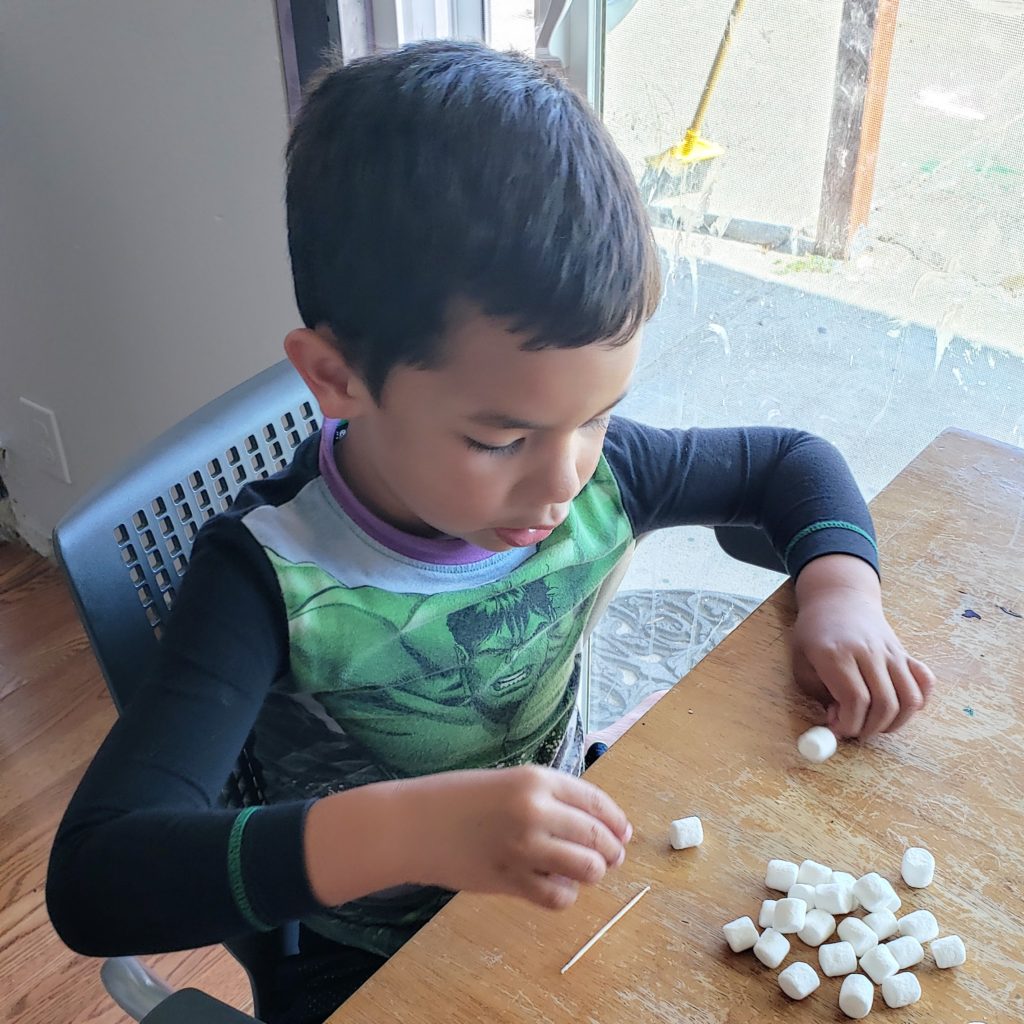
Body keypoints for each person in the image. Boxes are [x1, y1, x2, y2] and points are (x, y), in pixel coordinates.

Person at [46, 40, 935, 1024]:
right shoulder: (264, 582)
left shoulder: (600, 473)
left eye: (596, 416)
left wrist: (840, 591)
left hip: (567, 875)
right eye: (499, 437)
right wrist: (407, 832)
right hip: (366, 959)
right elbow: (96, 876)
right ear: (337, 380)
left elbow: (787, 462)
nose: (565, 478)